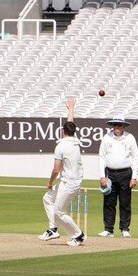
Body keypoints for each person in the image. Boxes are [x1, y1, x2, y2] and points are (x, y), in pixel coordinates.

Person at [39, 99, 87, 246]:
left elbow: (56, 169)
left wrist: (49, 182)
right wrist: (71, 109)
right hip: (68, 181)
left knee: (59, 211)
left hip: (70, 183)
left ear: (62, 132)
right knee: (48, 199)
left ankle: (78, 235)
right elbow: (70, 123)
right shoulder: (75, 140)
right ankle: (53, 229)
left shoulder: (60, 147)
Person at [99, 118, 138, 237]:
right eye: (115, 125)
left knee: (125, 202)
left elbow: (135, 157)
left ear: (123, 126)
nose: (117, 127)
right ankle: (108, 229)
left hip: (126, 173)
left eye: (119, 125)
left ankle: (125, 229)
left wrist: (134, 176)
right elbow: (101, 156)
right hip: (110, 173)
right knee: (109, 202)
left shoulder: (130, 137)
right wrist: (102, 176)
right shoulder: (107, 137)